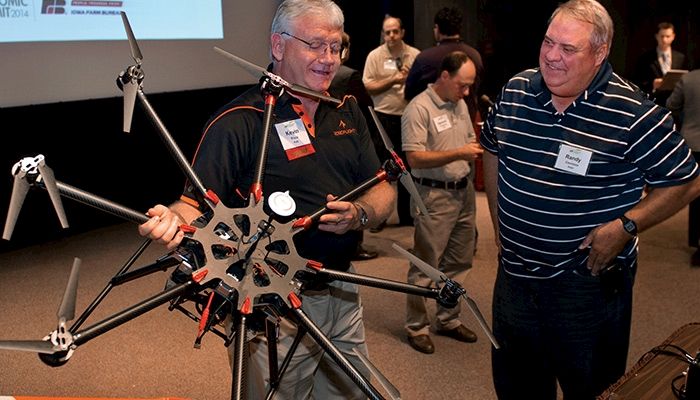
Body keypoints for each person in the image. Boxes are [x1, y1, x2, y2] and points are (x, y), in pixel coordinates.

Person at [138, 0, 396, 398]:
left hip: (343, 293)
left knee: (352, 393)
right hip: (272, 309)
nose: (329, 59)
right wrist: (172, 220)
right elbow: (191, 205)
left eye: (336, 47)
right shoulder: (240, 121)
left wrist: (361, 214)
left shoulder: (347, 112)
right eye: (315, 45)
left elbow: (381, 189)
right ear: (278, 46)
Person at [480, 1, 700, 399]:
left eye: (568, 49)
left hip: (585, 286)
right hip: (513, 281)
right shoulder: (515, 91)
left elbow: (686, 181)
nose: (551, 56)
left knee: (591, 389)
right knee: (518, 387)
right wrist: (499, 223)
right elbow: (492, 148)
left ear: (599, 54)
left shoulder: (632, 112)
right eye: (548, 42)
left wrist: (626, 226)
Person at [401, 51, 483, 354]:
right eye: (462, 84)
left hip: (463, 194)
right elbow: (415, 158)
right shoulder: (418, 109)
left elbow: (466, 143)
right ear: (444, 77)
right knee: (426, 265)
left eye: (470, 86)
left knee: (459, 262)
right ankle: (416, 326)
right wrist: (459, 154)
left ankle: (448, 318)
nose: (466, 92)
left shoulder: (459, 103)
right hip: (433, 195)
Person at [362, 16, 420, 229]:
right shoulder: (375, 56)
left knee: (407, 168)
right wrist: (394, 80)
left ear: (402, 32)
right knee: (381, 169)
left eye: (395, 31)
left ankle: (406, 215)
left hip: (408, 118)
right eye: (387, 32)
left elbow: (424, 85)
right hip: (383, 118)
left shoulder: (415, 55)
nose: (391, 36)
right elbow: (368, 86)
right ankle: (379, 217)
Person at [330, 31, 379, 261]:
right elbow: (366, 108)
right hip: (349, 138)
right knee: (358, 192)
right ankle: (356, 246)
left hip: (328, 141)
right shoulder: (350, 75)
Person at [404, 7, 483, 123]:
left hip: (431, 123)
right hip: (466, 120)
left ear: (437, 28)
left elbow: (409, 93)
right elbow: (479, 91)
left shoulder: (425, 58)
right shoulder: (474, 56)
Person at [666, 68, 700, 267]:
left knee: (696, 196)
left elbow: (671, 106)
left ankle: (697, 242)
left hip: (693, 143)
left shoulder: (688, 79)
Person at [633, 22, 688, 106]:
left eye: (667, 36)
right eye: (662, 36)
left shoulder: (680, 57)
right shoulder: (646, 58)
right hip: (654, 102)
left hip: (675, 102)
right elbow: (637, 81)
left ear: (673, 36)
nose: (664, 40)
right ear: (656, 36)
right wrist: (652, 84)